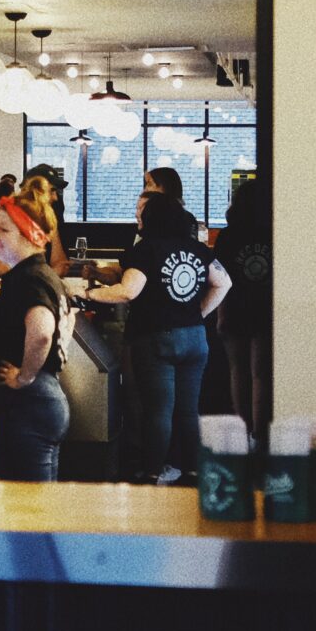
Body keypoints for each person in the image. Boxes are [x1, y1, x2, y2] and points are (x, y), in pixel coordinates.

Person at [84, 176, 231, 484]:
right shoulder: (197, 248)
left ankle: (152, 472)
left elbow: (127, 291)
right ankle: (192, 470)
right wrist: (197, 312)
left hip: (156, 339)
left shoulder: (146, 250)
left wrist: (88, 294)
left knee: (158, 410)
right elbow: (224, 283)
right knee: (189, 410)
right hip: (195, 338)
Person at [0, 181, 74, 482]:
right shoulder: (41, 274)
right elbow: (70, 319)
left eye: (4, 230)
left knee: (28, 512)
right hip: (40, 402)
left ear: (31, 236)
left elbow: (43, 330)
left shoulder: (29, 279)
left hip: (28, 406)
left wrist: (25, 377)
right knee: (38, 507)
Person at [213, 179, 272, 438]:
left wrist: (221, 314)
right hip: (265, 309)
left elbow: (220, 277)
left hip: (235, 306)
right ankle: (259, 434)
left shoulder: (228, 236)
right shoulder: (273, 233)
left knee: (237, 371)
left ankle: (243, 433)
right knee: (260, 375)